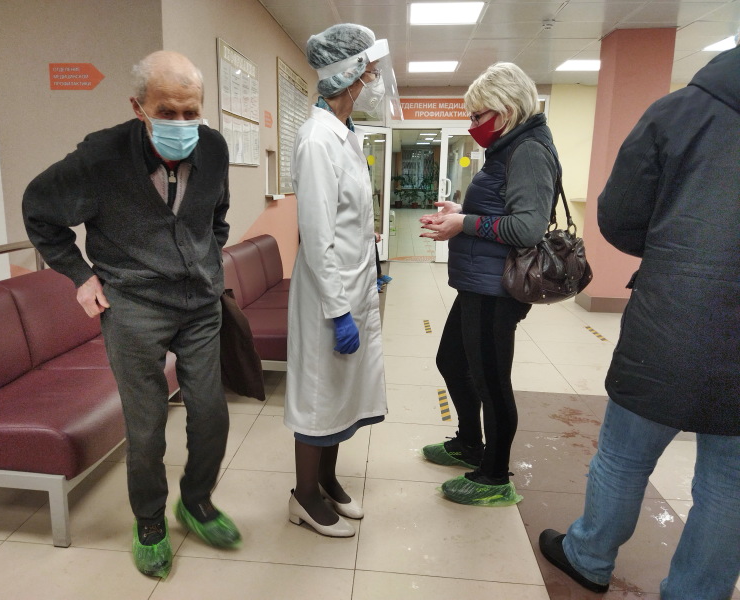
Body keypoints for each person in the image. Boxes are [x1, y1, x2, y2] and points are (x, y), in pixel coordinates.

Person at [22, 50, 241, 579]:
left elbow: (217, 215)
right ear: (138, 107)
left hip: (199, 303)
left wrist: (207, 259)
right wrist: (81, 276)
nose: (182, 124)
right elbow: (39, 211)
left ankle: (196, 501)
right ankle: (149, 521)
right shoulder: (100, 158)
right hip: (134, 304)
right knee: (146, 428)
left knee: (211, 413)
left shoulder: (213, 148)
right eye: (168, 112)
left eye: (192, 112)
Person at [539, 39, 740, 598]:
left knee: (624, 457)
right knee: (730, 485)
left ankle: (588, 556)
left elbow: (620, 217)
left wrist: (672, 248)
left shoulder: (681, 112)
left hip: (673, 322)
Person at [418, 63, 559, 506]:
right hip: (479, 282)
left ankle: (495, 476)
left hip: (497, 289)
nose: (473, 124)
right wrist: (460, 212)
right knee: (451, 361)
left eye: (478, 115)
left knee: (491, 382)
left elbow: (528, 228)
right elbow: (502, 211)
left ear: (507, 110)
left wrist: (463, 223)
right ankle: (469, 443)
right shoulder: (508, 147)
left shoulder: (529, 150)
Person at [285, 23, 390, 537]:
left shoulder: (345, 135)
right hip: (330, 297)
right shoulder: (316, 141)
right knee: (319, 395)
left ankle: (326, 480)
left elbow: (346, 220)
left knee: (342, 392)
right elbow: (317, 235)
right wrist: (339, 309)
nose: (374, 82)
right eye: (370, 73)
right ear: (349, 76)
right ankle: (303, 497)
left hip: (353, 287)